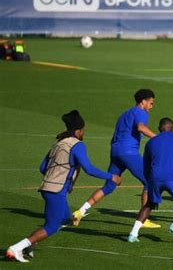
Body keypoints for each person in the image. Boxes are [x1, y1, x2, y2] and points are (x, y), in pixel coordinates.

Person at [6, 110, 121, 263]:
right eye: (83, 129)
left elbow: (42, 168)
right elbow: (89, 169)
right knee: (53, 226)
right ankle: (17, 248)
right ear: (78, 130)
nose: (84, 132)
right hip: (56, 191)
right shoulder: (77, 145)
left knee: (65, 219)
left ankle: (30, 245)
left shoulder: (58, 143)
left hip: (47, 188)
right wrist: (111, 176)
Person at [72, 89, 159, 228]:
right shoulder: (141, 112)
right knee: (150, 181)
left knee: (109, 185)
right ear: (143, 101)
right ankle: (143, 219)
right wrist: (158, 137)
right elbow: (141, 127)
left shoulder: (124, 114)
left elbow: (114, 136)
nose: (151, 107)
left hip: (116, 151)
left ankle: (80, 212)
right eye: (151, 103)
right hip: (129, 152)